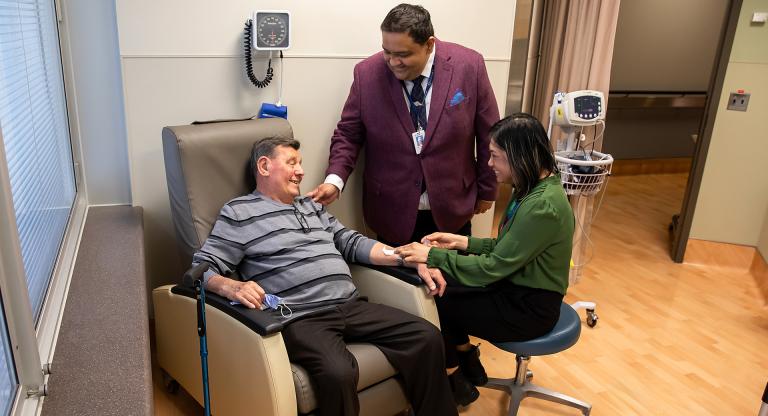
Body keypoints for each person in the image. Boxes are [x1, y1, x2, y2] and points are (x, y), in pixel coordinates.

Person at [190, 137, 456, 416]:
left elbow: (353, 242)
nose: (301, 171)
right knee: (338, 372)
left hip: (352, 305)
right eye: (292, 162)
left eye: (301, 163)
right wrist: (232, 287)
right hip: (301, 317)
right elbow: (201, 267)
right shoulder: (239, 212)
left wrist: (406, 258)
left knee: (426, 337)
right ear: (265, 166)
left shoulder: (311, 206)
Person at [395, 113, 575, 405]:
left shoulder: (542, 206)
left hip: (529, 308)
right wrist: (461, 241)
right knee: (440, 286)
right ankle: (466, 359)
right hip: (515, 287)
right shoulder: (530, 189)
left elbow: (492, 269)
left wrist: (432, 254)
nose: (489, 164)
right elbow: (507, 247)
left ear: (519, 156)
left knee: (437, 297)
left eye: (495, 156)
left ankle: (454, 379)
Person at [307, 3, 500, 246]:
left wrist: (488, 190)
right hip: (391, 212)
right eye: (387, 51)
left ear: (429, 44)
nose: (393, 62)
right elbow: (348, 134)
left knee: (450, 283)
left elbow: (489, 134)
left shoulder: (469, 66)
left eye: (404, 55)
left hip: (453, 208)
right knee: (397, 284)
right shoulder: (366, 74)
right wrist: (334, 181)